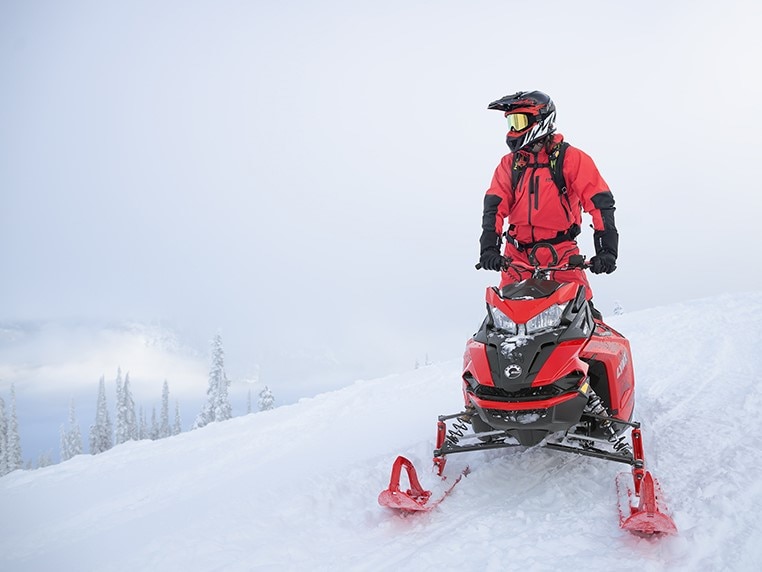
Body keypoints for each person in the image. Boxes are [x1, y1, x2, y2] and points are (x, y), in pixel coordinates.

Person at [478, 90, 618, 304]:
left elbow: (599, 202)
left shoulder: (571, 158)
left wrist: (606, 250)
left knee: (582, 312)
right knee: (503, 318)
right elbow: (494, 207)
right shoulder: (510, 164)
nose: (514, 130)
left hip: (562, 256)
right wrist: (489, 248)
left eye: (519, 121)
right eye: (511, 123)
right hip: (517, 258)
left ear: (541, 120)